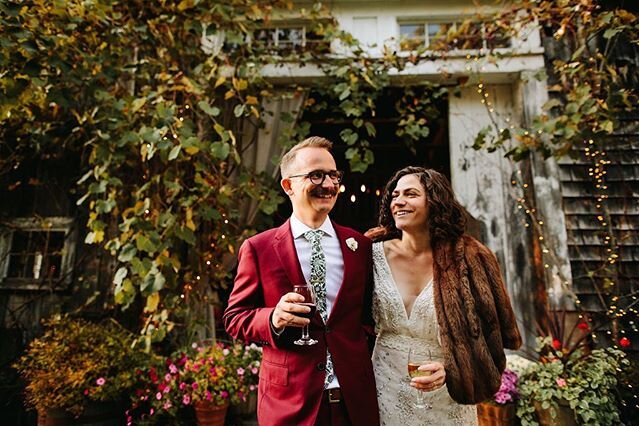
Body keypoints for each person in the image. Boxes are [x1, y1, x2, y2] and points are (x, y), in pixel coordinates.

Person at [223, 136, 379, 426]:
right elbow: (235, 318)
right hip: (289, 404)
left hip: (354, 401)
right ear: (288, 185)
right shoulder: (259, 248)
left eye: (334, 175)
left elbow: (370, 316)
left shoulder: (359, 245)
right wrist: (273, 318)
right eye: (316, 175)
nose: (329, 185)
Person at [366, 166, 522, 426]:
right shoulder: (369, 253)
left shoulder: (471, 259)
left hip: (444, 397)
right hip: (382, 385)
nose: (399, 201)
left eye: (411, 194)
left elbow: (490, 339)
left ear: (434, 202)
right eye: (395, 195)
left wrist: (452, 371)